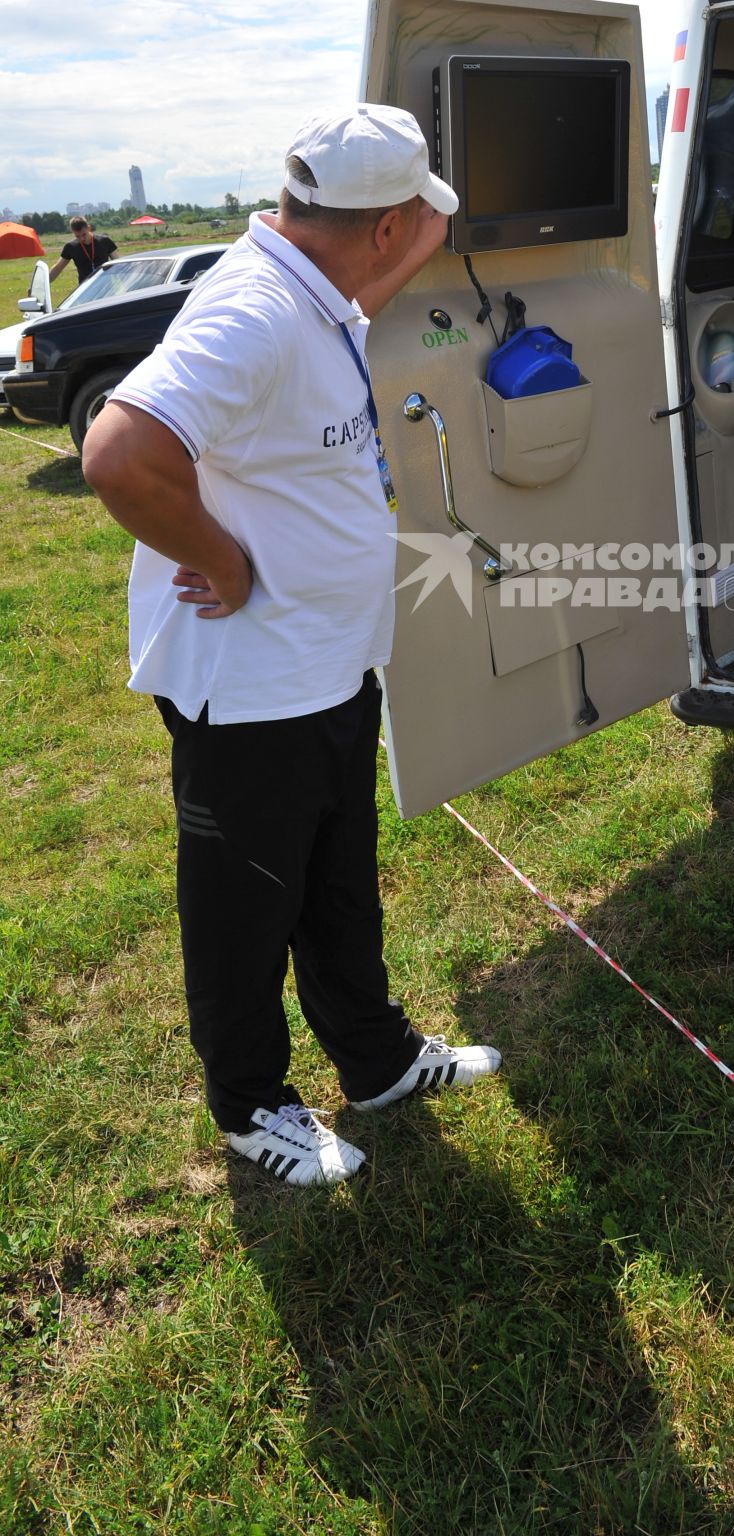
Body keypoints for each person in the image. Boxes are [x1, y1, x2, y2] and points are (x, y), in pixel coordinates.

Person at [82, 105, 502, 1188]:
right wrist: (221, 562)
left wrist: (399, 228)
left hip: (324, 666)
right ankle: (250, 1104)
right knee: (243, 908)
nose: (424, 239)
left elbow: (364, 272)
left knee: (334, 888)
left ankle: (375, 1060)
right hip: (252, 687)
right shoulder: (259, 314)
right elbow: (120, 456)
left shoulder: (316, 290)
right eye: (414, 221)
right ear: (374, 225)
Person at [50, 215, 117, 286]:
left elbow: (118, 262)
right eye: (77, 236)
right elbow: (58, 267)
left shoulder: (105, 241)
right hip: (84, 290)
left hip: (106, 288)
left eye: (84, 234)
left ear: (88, 228)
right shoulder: (70, 247)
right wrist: (43, 285)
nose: (82, 239)